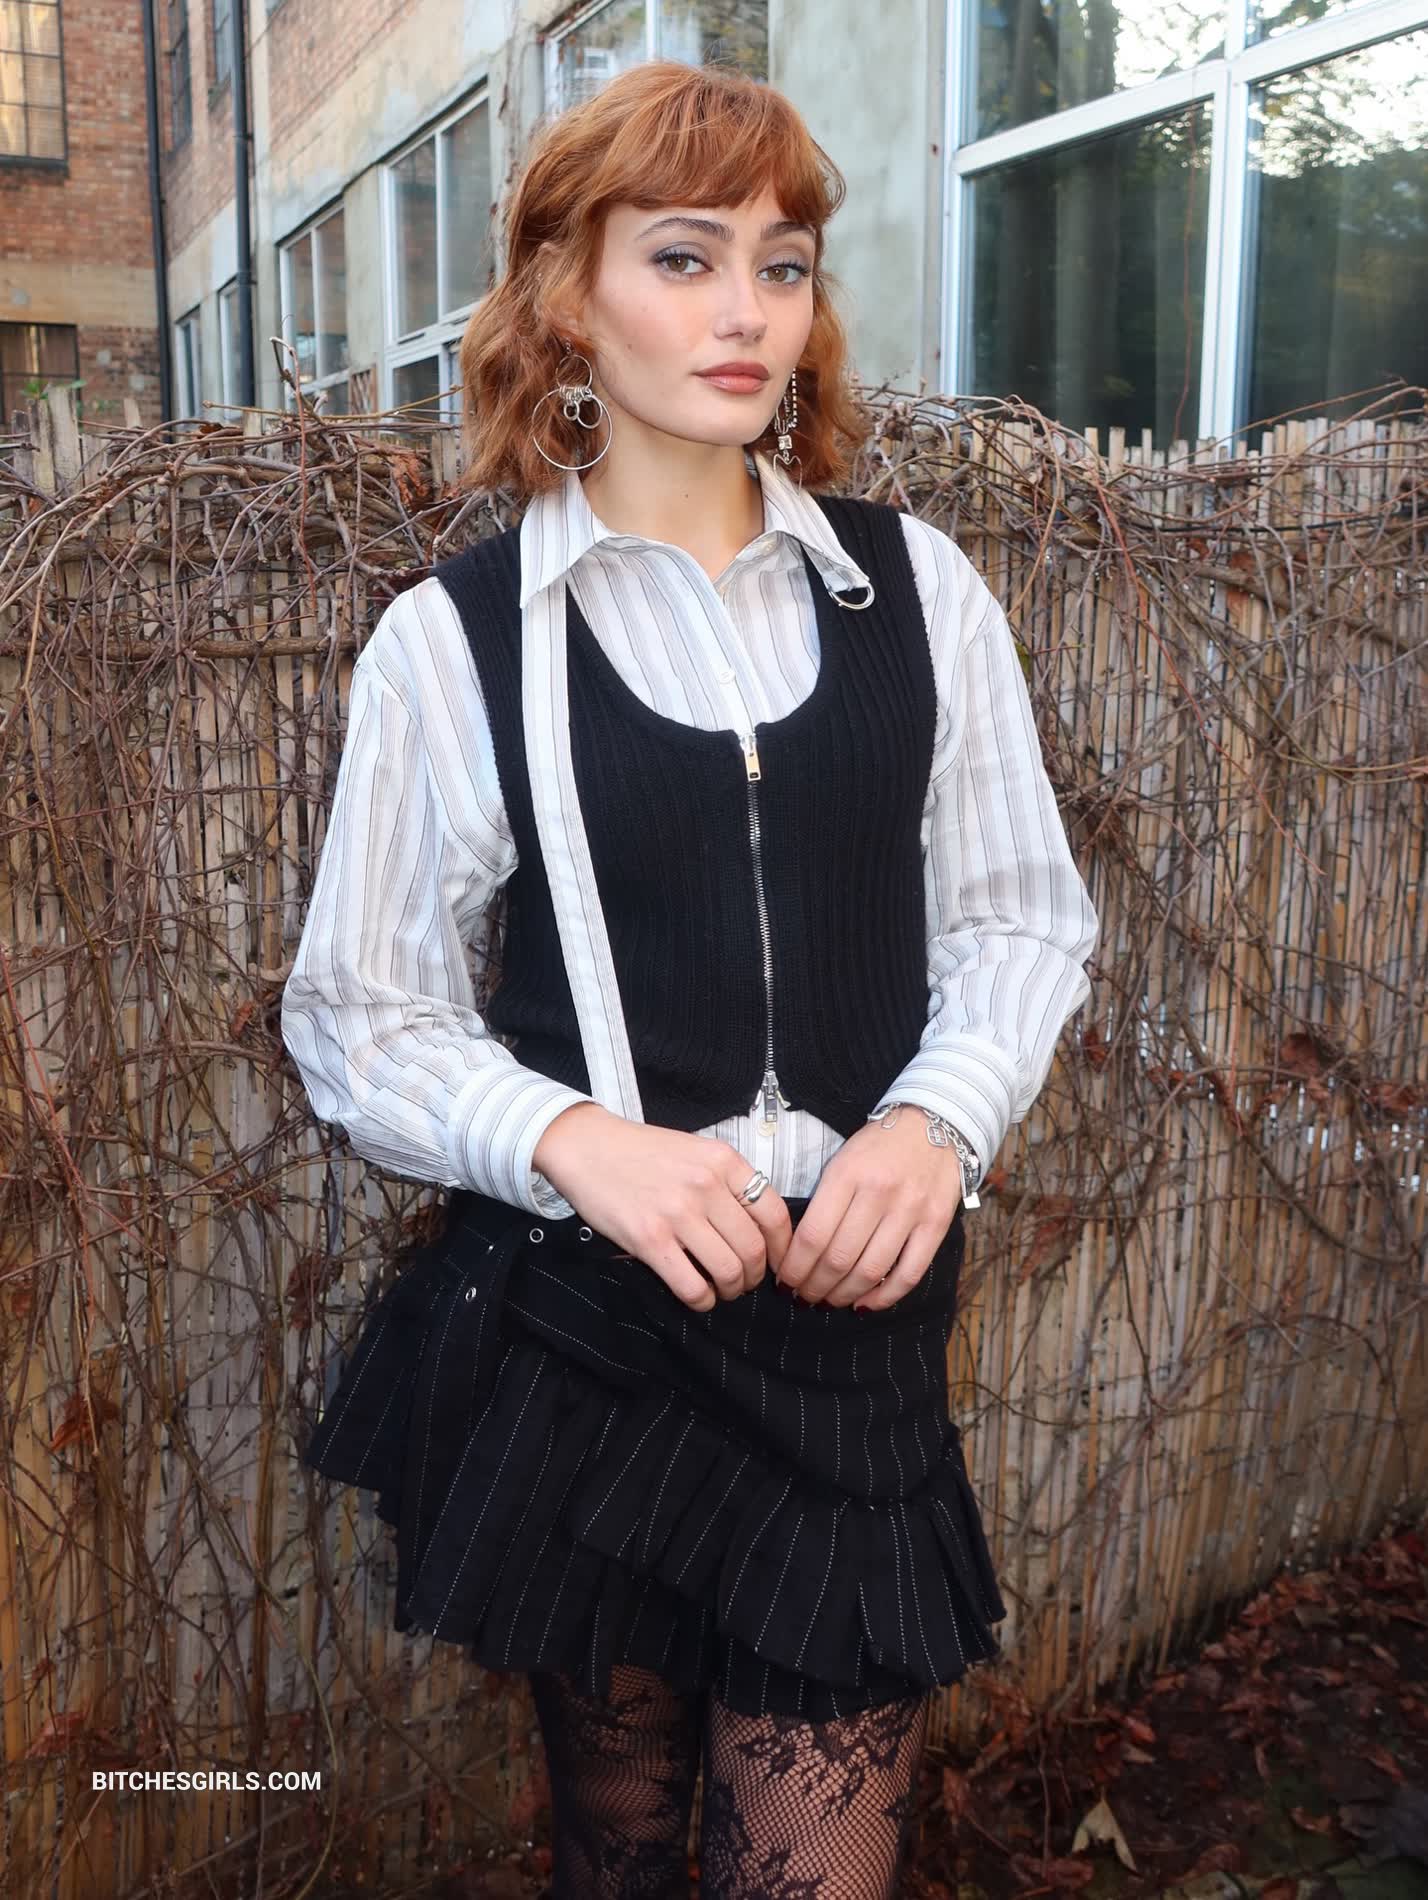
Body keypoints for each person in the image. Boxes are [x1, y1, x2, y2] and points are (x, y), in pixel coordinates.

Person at [282, 57, 1099, 1900]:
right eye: (683, 257)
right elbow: (361, 1014)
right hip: (595, 1341)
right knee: (621, 1856)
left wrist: (936, 1123)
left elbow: (1020, 921)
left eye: (781, 265)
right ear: (565, 294)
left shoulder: (918, 593)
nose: (746, 310)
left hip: (850, 1350)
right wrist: (581, 1144)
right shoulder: (458, 642)